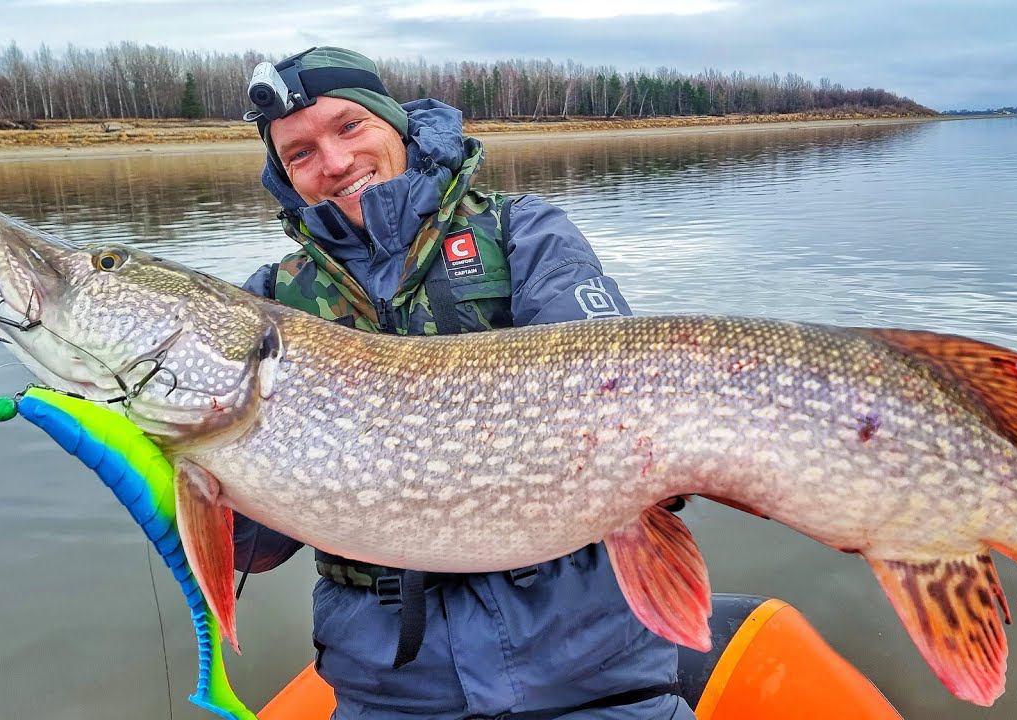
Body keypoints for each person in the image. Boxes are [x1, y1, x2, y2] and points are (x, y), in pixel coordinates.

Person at [233, 47, 696, 720]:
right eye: (299, 154)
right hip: (390, 691)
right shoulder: (269, 307)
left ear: (397, 124)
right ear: (285, 177)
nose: (333, 163)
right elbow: (258, 548)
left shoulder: (520, 232)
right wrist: (168, 450)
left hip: (589, 672)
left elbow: (619, 408)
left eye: (350, 126)